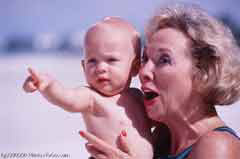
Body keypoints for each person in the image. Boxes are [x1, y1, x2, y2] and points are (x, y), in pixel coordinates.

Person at [79, 3, 240, 159]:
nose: (143, 71)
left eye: (164, 59)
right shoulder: (161, 138)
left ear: (203, 71)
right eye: (145, 59)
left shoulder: (217, 146)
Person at [22, 17, 153, 159]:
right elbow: (67, 98)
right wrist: (48, 85)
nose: (100, 68)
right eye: (92, 61)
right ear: (83, 67)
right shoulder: (90, 97)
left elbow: (160, 120)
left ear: (135, 67)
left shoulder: (137, 96)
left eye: (111, 60)